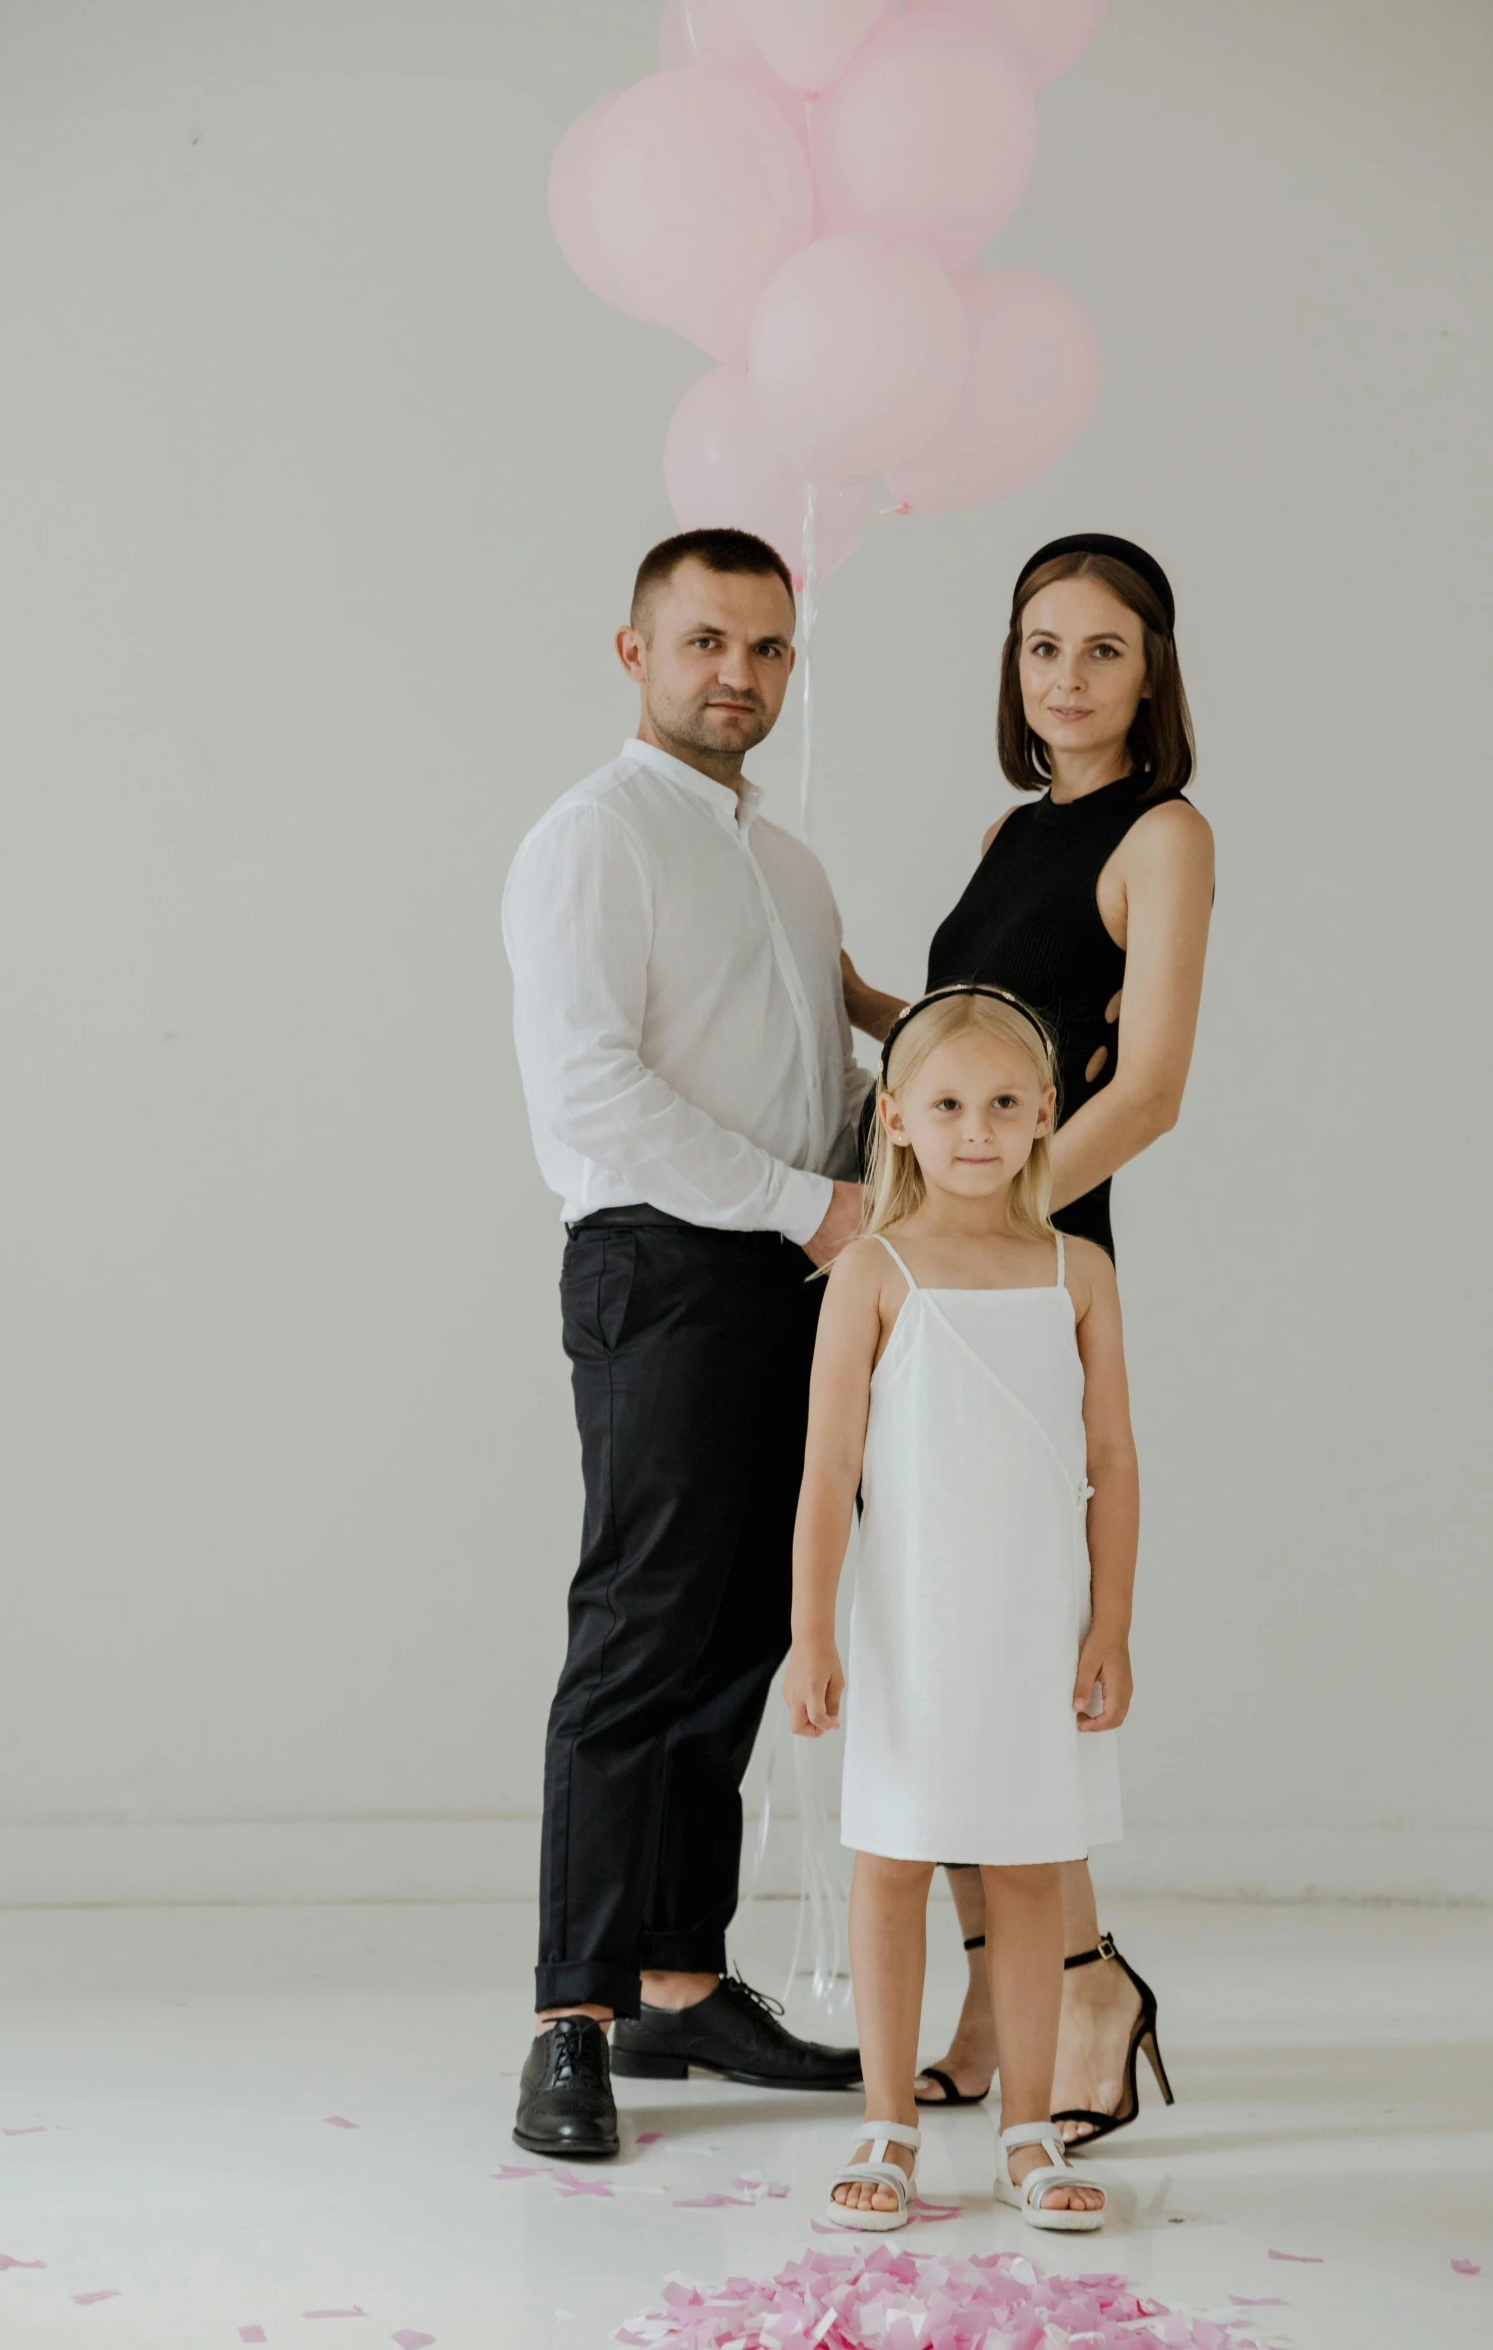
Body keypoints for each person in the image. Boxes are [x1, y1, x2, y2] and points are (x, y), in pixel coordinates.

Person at [501, 527, 870, 2162]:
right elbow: (590, 1091)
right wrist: (808, 1207)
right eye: (708, 640)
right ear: (632, 651)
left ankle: (676, 1976)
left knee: (736, 1639)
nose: (741, 674)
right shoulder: (590, 841)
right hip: (664, 1272)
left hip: (798, 1278)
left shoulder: (786, 866)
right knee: (637, 1642)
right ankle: (568, 2022)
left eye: (769, 649)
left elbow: (807, 1082)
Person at [841, 534, 1212, 2143]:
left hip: (1031, 1255)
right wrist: (863, 1008)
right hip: (934, 1251)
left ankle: (1086, 1981)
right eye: (1039, 646)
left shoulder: (1166, 835)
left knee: (1009, 1638)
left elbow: (1148, 1084)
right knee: (934, 1626)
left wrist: (992, 1205)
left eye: (1100, 650)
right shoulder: (1009, 827)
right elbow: (976, 1037)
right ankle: (1001, 2007)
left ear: (1151, 673)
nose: (1063, 677)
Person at [784, 986, 1159, 2231]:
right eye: (947, 1105)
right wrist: (812, 1630)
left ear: (1047, 1112)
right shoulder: (871, 1273)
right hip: (909, 1625)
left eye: (1005, 1103)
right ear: (895, 1120)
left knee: (1028, 1863)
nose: (978, 1129)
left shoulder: (1076, 1271)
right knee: (891, 1860)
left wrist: (1108, 1625)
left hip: (1030, 1625)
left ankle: (1029, 2126)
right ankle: (887, 2119)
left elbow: (1111, 1455)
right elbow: (828, 1470)